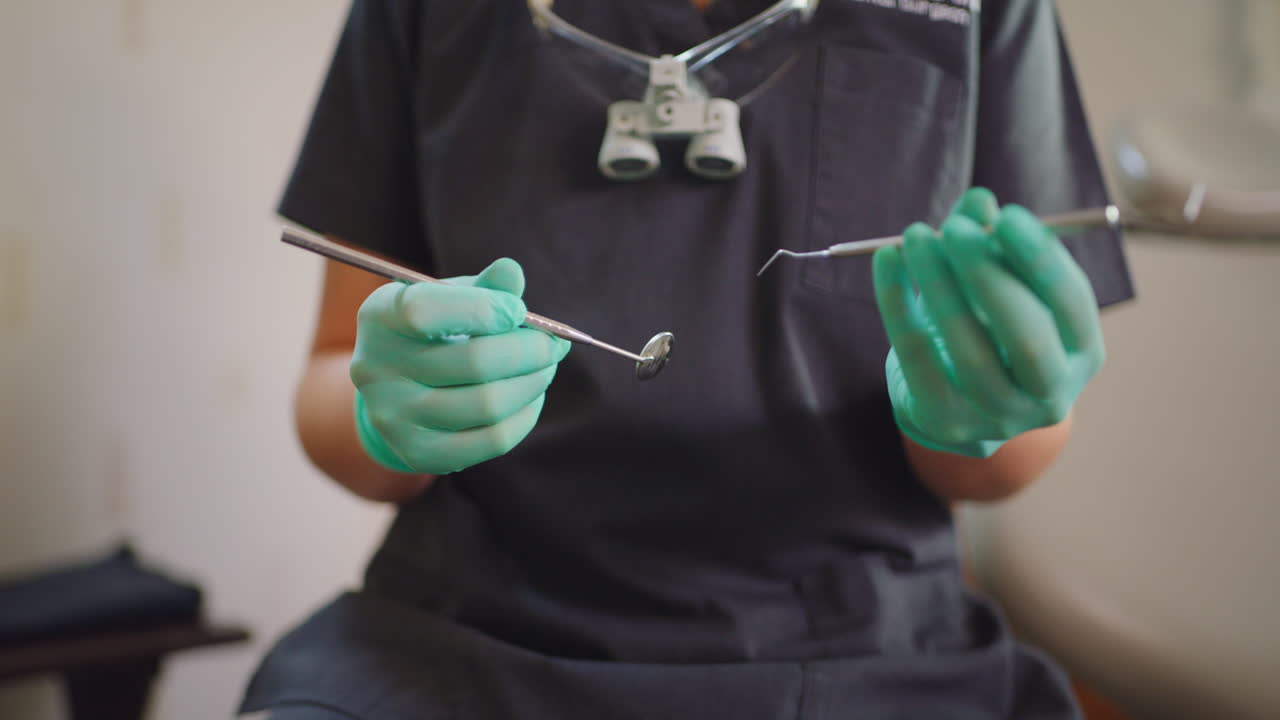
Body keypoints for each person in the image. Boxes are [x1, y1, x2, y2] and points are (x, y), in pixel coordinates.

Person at [241, 0, 1134, 717]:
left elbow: (1004, 461)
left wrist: (989, 409)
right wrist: (386, 415)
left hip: (865, 657)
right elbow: (332, 376)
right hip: (466, 645)